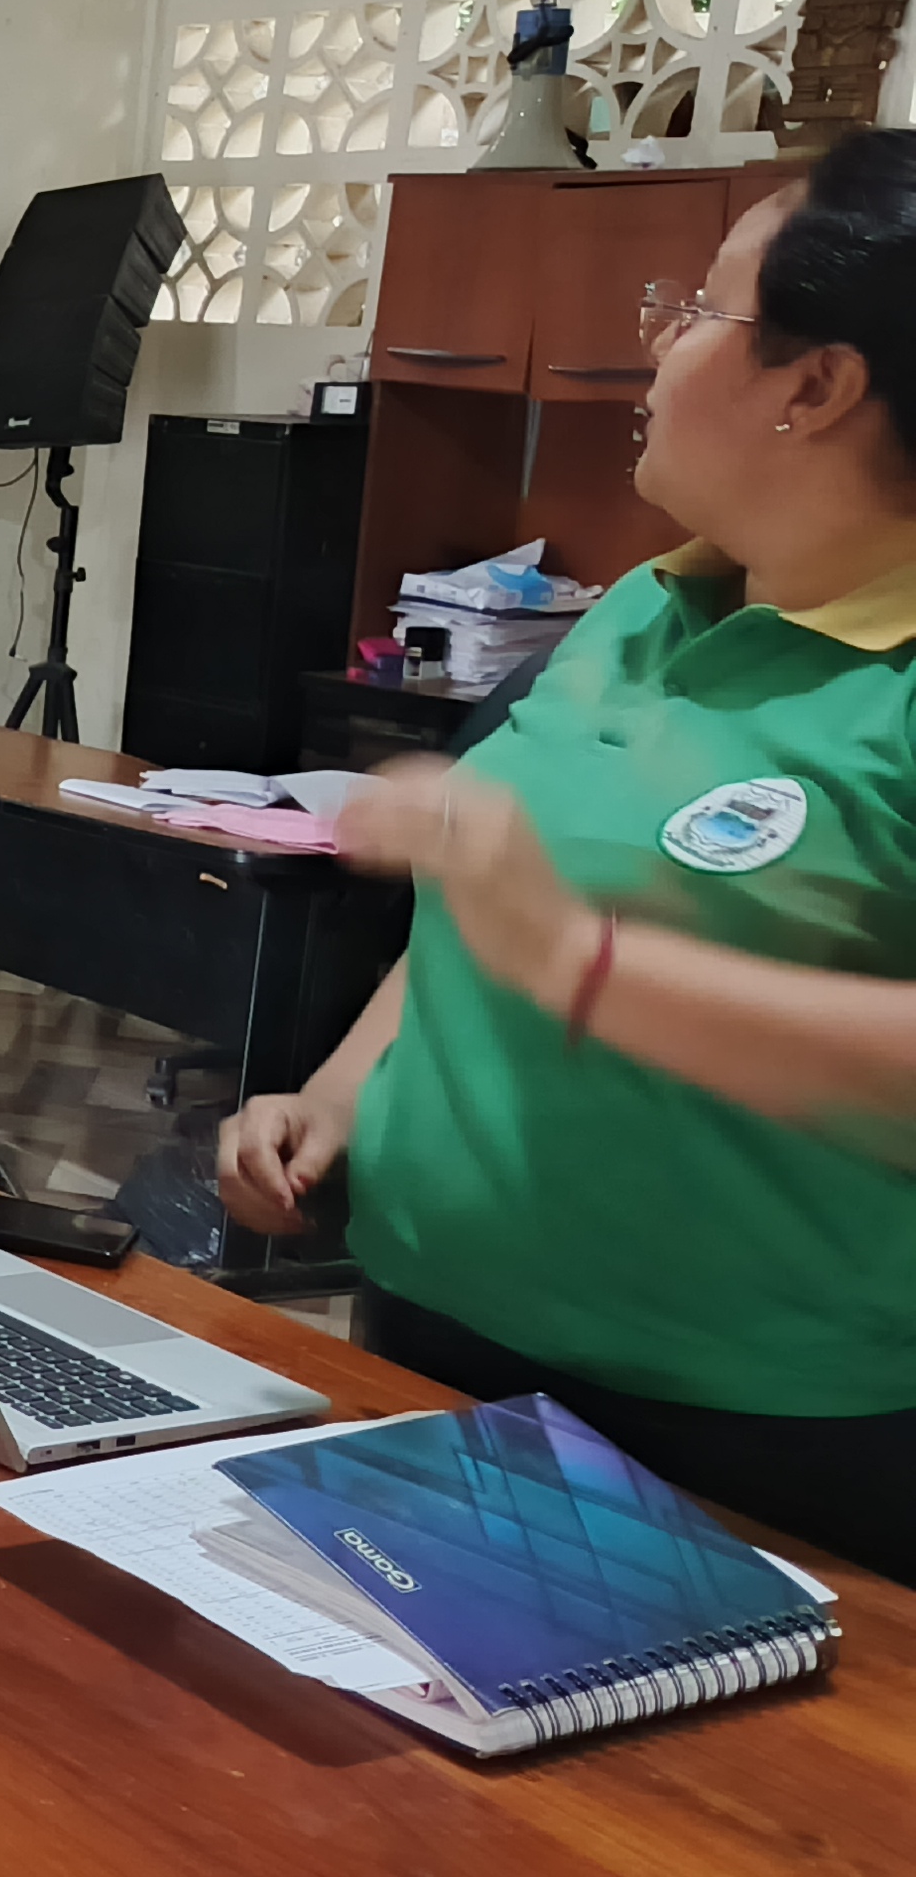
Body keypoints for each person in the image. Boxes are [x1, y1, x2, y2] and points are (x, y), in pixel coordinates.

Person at [221, 130, 916, 1579]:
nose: (654, 345)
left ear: (817, 385)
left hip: (753, 1423)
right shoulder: (642, 607)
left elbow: (550, 933)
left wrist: (583, 964)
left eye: (699, 310)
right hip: (434, 1327)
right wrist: (338, 1095)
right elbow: (491, 907)